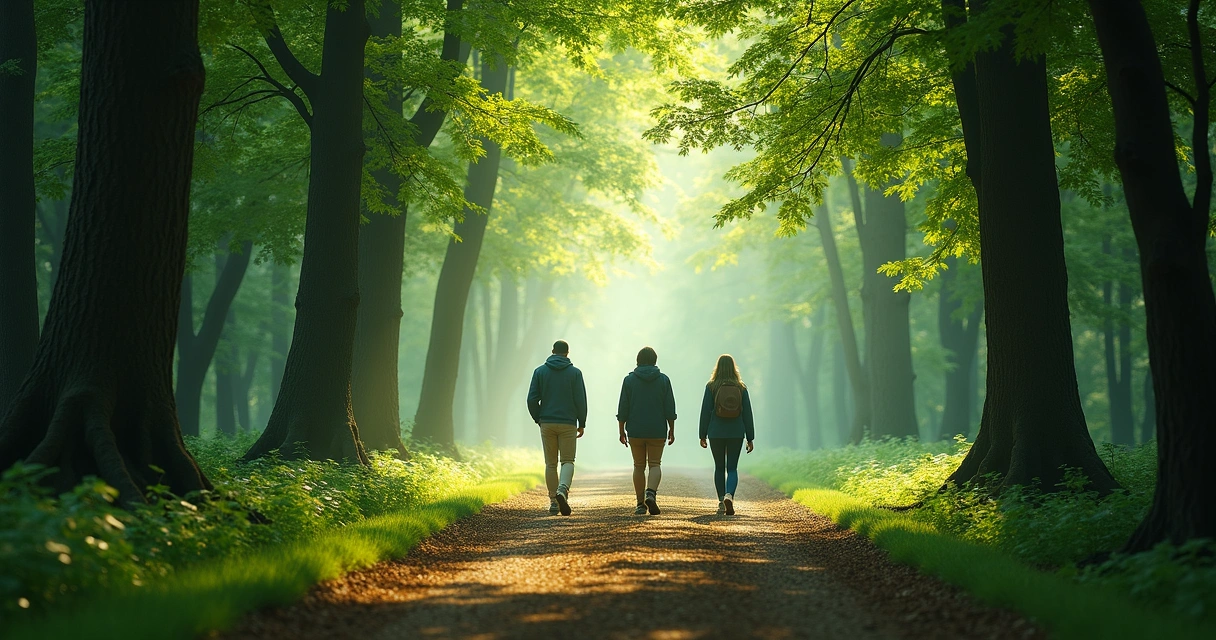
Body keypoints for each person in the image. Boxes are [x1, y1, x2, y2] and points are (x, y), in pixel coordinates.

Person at [527, 340, 588, 516]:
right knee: (568, 460)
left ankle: (553, 501)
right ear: (567, 353)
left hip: (547, 422)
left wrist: (539, 418)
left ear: (552, 351)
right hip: (568, 422)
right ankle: (563, 489)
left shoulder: (540, 372)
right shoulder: (575, 373)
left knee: (550, 463)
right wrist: (582, 422)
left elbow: (531, 400)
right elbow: (580, 400)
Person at [616, 347, 677, 516]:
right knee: (655, 464)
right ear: (655, 360)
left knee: (638, 466)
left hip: (635, 430)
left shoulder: (629, 381)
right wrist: (671, 428)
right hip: (657, 429)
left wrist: (621, 430)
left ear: (638, 360)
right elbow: (669, 408)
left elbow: (623, 408)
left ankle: (640, 504)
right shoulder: (664, 380)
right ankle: (651, 493)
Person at [699, 354, 755, 515]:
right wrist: (750, 437)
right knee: (732, 468)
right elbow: (747, 414)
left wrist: (702, 434)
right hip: (736, 432)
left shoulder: (711, 386)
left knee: (719, 467)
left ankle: (721, 501)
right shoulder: (741, 387)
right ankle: (729, 495)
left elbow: (705, 412)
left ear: (717, 368)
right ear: (733, 368)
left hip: (716, 432)